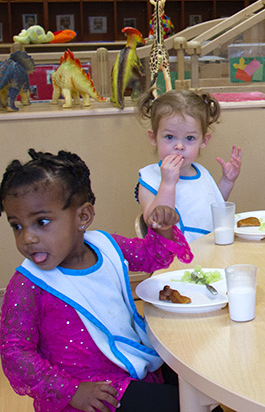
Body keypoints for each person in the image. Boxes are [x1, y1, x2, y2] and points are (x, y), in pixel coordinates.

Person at [0, 149, 193, 411]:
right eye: (17, 226)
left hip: (131, 364)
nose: (27, 238)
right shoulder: (27, 284)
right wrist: (70, 391)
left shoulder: (106, 246)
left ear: (83, 217)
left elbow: (152, 257)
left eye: (41, 222)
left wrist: (163, 229)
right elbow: (15, 353)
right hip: (87, 394)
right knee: (181, 405)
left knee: (196, 386)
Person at [137, 89, 242, 242]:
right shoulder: (149, 178)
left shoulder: (202, 173)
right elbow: (155, 224)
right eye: (169, 137)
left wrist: (227, 181)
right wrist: (167, 183)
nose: (179, 146)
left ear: (204, 141)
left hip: (210, 251)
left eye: (190, 138)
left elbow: (211, 206)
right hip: (175, 258)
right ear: (153, 137)